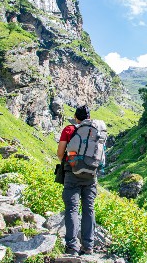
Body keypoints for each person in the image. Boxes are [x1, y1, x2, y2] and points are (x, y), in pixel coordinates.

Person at [57, 105, 97, 256]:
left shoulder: (69, 130)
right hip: (91, 176)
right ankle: (88, 246)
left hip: (72, 173)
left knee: (72, 209)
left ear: (75, 117)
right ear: (89, 117)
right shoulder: (96, 130)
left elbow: (60, 153)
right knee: (89, 209)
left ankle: (72, 247)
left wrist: (69, 163)